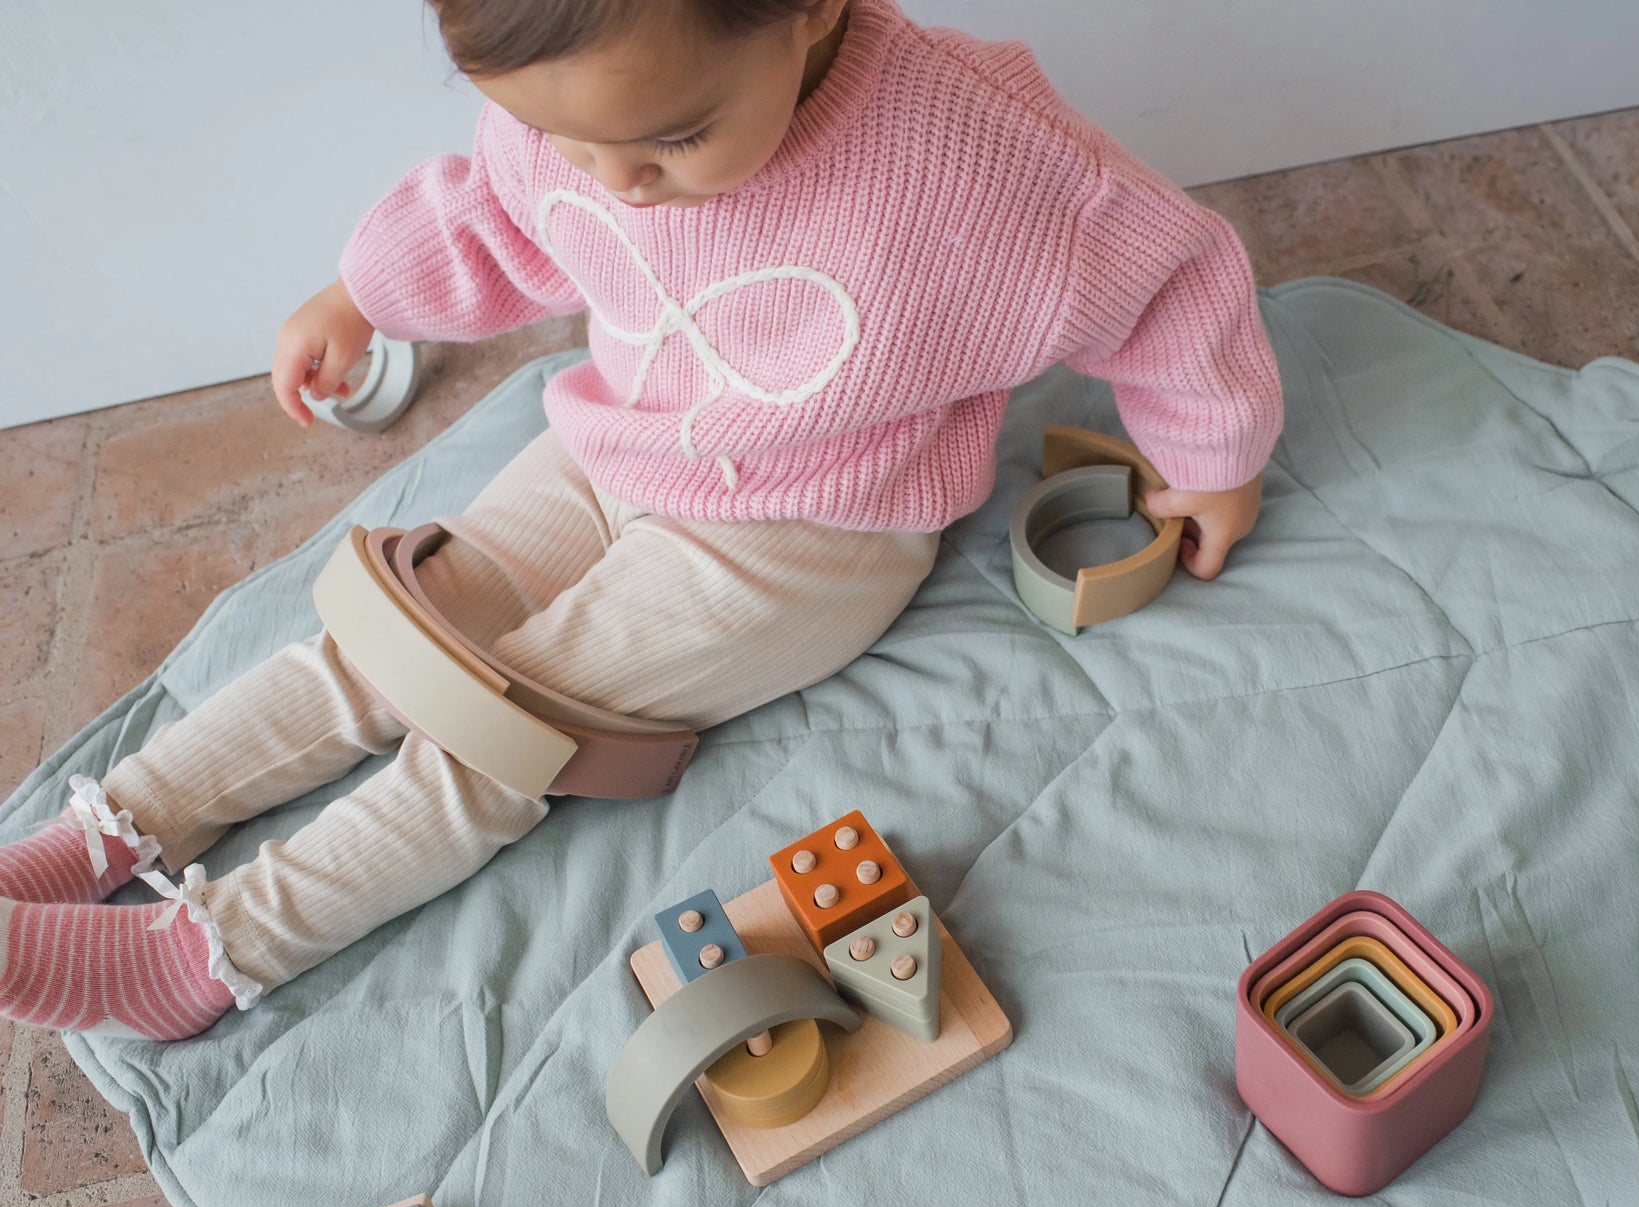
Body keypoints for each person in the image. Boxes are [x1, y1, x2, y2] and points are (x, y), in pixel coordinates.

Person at [0, 0, 1282, 1039]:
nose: (618, 184)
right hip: (617, 443)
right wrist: (364, 293)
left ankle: (208, 952)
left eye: (670, 144)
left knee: (509, 723)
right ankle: (108, 827)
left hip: (810, 529)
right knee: (397, 639)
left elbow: (1165, 270)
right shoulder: (575, 112)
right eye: (567, 142)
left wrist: (1213, 450)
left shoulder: (972, 149)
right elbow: (495, 215)